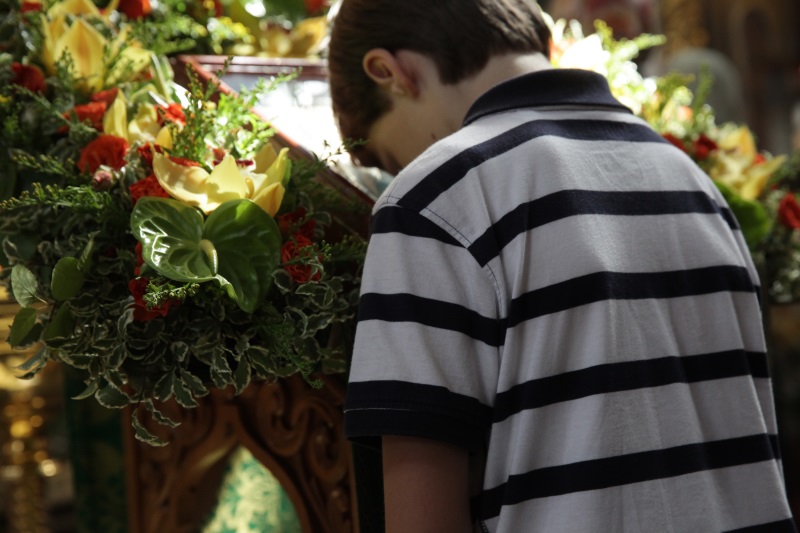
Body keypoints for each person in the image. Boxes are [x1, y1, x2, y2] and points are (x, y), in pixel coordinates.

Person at [327, 1, 797, 531]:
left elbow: (422, 520)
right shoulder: (694, 183)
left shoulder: (434, 197)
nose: (399, 171)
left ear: (389, 72)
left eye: (387, 159)